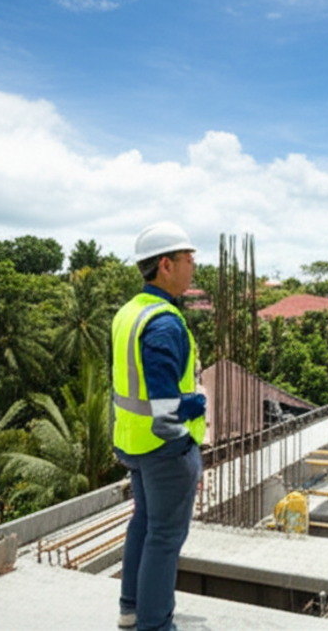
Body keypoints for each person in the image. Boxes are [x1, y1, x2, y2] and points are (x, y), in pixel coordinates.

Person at [114, 222, 207, 631]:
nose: (193, 267)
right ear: (166, 265)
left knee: (145, 524)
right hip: (163, 447)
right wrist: (198, 403)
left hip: (132, 442)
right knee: (165, 538)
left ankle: (131, 609)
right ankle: (154, 625)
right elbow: (167, 407)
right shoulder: (165, 323)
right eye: (188, 259)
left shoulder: (130, 311)